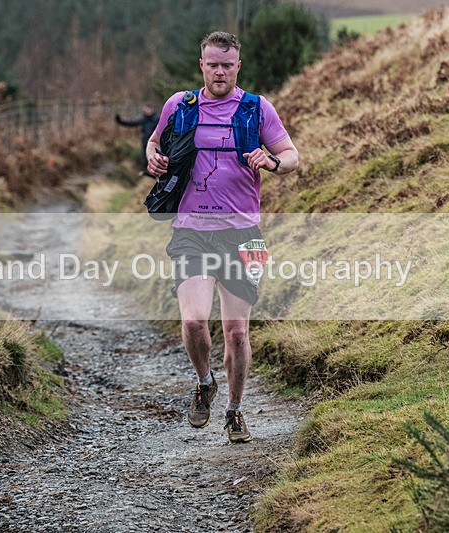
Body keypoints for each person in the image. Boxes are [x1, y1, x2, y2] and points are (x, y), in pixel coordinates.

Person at [146, 31, 299, 444]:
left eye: (227, 65)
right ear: (202, 65)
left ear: (237, 67)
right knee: (194, 320)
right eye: (212, 64)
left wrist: (270, 161)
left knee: (237, 332)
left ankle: (233, 410)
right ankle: (203, 381)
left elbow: (292, 156)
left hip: (244, 235)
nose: (219, 71)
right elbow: (155, 141)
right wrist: (152, 155)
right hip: (191, 232)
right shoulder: (180, 105)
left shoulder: (256, 108)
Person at [116, 104, 159, 175]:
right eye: (146, 109)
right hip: (145, 141)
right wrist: (120, 121)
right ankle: (146, 171)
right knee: (144, 156)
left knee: (153, 157)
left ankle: (154, 172)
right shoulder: (143, 119)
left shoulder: (156, 119)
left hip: (154, 142)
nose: (148, 111)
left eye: (149, 109)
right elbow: (132, 123)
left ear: (152, 109)